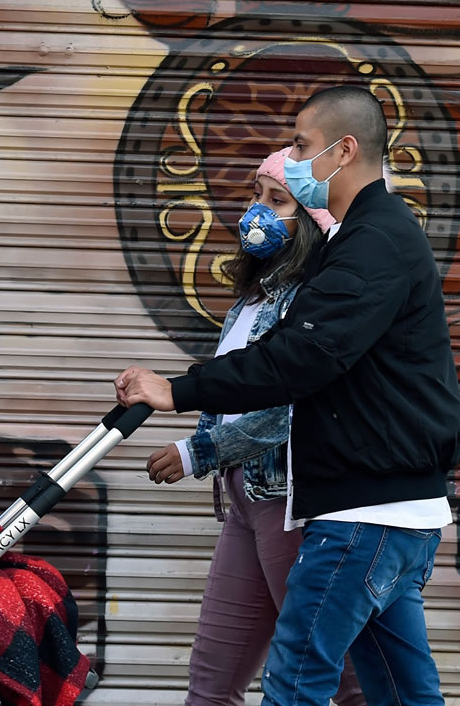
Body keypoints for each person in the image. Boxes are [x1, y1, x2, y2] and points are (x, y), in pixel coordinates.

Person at [116, 85, 460, 706]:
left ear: (344, 150)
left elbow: (302, 360)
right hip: (386, 509)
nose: (294, 158)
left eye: (302, 146)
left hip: (365, 516)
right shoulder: (368, 237)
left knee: (295, 685)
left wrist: (178, 391)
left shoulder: (372, 243)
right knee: (402, 696)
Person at [146, 147, 366, 706]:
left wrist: (202, 450)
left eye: (276, 201)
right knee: (212, 683)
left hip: (291, 501)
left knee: (338, 678)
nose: (255, 212)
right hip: (245, 501)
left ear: (310, 221)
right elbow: (234, 386)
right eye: (255, 195)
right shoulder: (251, 298)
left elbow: (292, 403)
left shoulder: (311, 301)